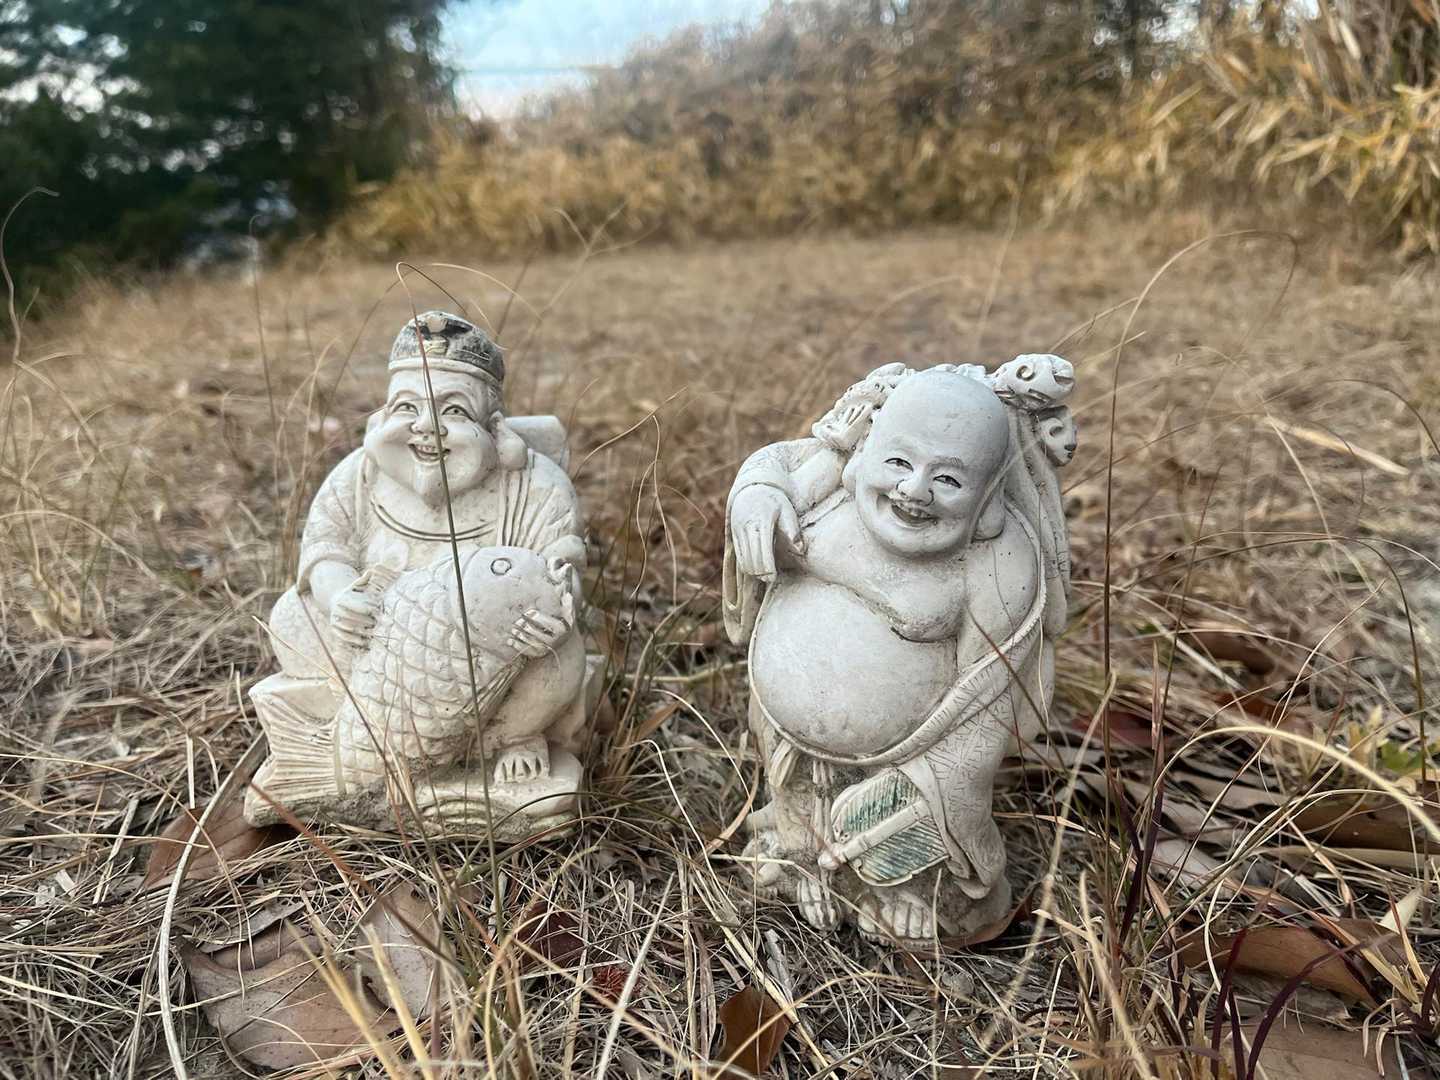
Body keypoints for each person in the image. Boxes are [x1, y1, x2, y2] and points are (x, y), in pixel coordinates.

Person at [724, 359, 1075, 943]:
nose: (914, 490)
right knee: (799, 799)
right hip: (788, 731)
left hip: (908, 758)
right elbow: (774, 462)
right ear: (865, 451)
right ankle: (799, 854)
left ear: (989, 496)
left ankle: (905, 887)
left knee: (898, 825)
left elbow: (986, 704)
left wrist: (918, 785)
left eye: (950, 480)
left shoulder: (1000, 562)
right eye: (899, 463)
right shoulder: (827, 481)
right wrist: (757, 495)